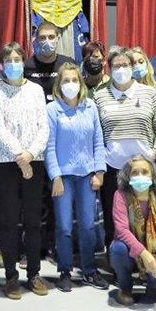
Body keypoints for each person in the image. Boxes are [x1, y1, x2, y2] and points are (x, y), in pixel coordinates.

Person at [0, 43, 51, 298]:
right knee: (9, 220)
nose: (13, 64)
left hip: (34, 159)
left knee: (33, 221)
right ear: (2, 65)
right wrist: (20, 157)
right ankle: (11, 276)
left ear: (24, 62)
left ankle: (34, 273)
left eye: (17, 59)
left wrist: (30, 154)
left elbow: (44, 127)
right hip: (5, 162)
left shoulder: (35, 90)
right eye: (8, 60)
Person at [93, 47, 156, 244]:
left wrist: (154, 154)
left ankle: (147, 255)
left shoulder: (150, 93)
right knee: (114, 220)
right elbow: (97, 134)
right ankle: (116, 256)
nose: (121, 69)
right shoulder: (100, 96)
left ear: (132, 66)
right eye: (116, 66)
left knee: (146, 217)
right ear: (109, 69)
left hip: (144, 169)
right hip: (113, 168)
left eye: (125, 65)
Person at [45, 64, 109, 291]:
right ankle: (64, 270)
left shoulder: (90, 107)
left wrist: (99, 172)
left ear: (81, 84)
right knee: (64, 226)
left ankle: (89, 271)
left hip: (87, 175)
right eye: (66, 80)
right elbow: (49, 146)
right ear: (59, 85)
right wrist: (55, 176)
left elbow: (98, 141)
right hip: (63, 176)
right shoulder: (52, 109)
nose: (70, 84)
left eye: (74, 80)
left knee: (88, 225)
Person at [109, 155, 156, 306]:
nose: (140, 176)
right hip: (130, 250)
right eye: (135, 172)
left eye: (145, 172)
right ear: (127, 176)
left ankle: (153, 289)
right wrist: (144, 253)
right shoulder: (120, 195)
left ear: (153, 175)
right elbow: (122, 230)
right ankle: (125, 288)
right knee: (118, 248)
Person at [25, 20, 76, 101]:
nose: (47, 41)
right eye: (42, 38)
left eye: (51, 37)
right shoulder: (26, 66)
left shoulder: (68, 64)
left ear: (57, 39)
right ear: (37, 40)